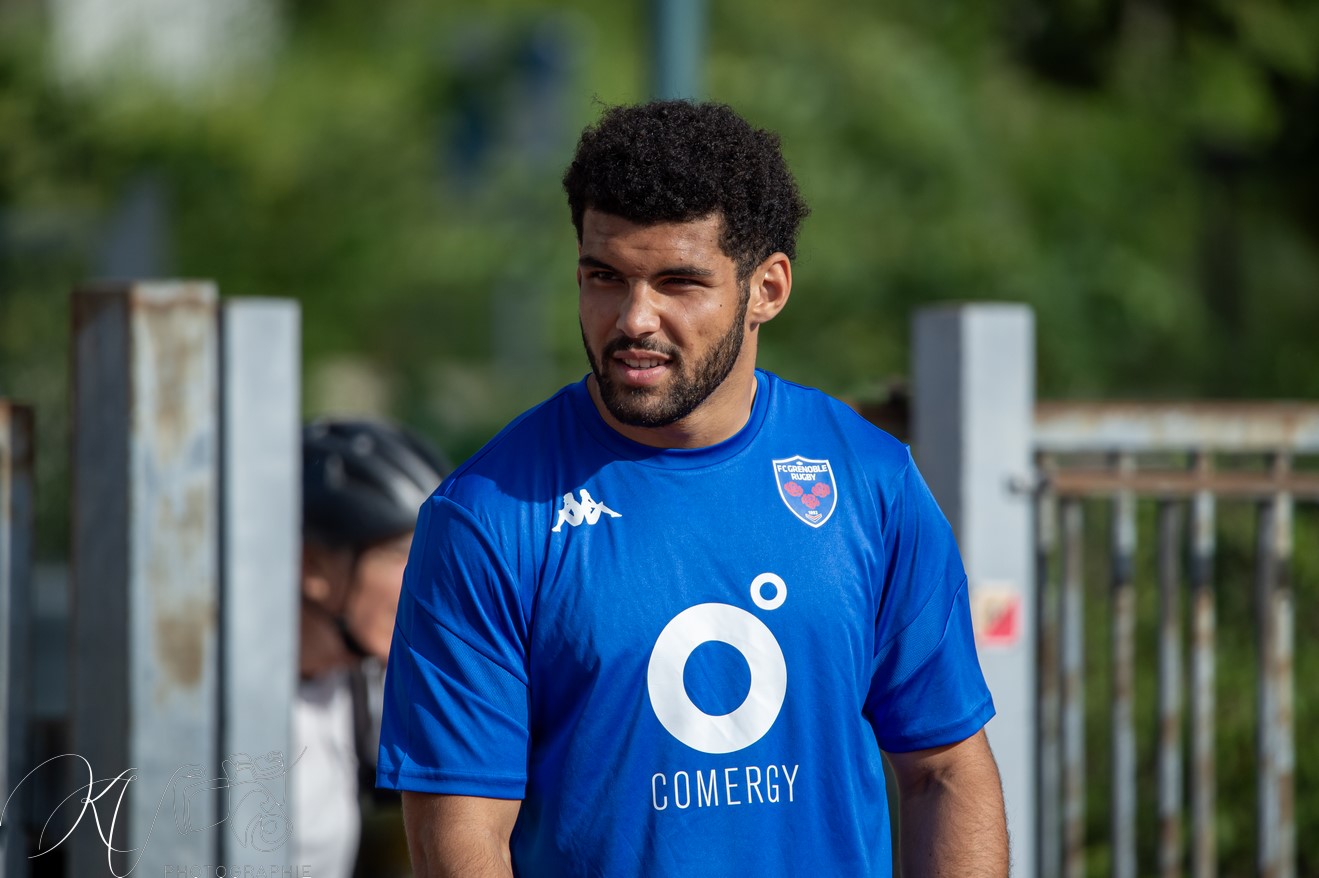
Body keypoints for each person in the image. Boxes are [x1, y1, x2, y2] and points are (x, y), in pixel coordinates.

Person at [377, 100, 1009, 877]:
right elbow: (460, 840)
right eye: (603, 277)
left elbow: (945, 770)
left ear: (767, 288)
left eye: (678, 281)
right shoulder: (485, 517)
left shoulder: (869, 481)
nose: (633, 318)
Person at [296, 418, 450, 878]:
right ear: (314, 567)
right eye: (408, 555)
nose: (435, 582)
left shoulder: (362, 687)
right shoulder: (215, 710)